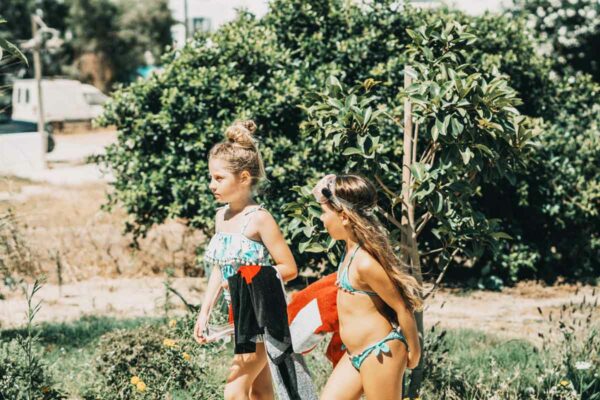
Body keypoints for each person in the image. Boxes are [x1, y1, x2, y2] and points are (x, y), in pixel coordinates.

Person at [193, 120, 316, 400]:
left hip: (262, 315)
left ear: (245, 177)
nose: (212, 184)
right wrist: (204, 314)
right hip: (237, 314)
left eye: (219, 178)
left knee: (234, 391)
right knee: (260, 391)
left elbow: (289, 268)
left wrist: (248, 282)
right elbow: (218, 270)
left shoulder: (259, 218)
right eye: (211, 177)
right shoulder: (220, 217)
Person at [313, 174, 422, 400]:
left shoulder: (364, 263)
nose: (322, 219)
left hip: (380, 352)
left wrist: (415, 351)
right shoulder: (348, 252)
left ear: (343, 216)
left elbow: (402, 307)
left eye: (324, 213)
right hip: (354, 353)